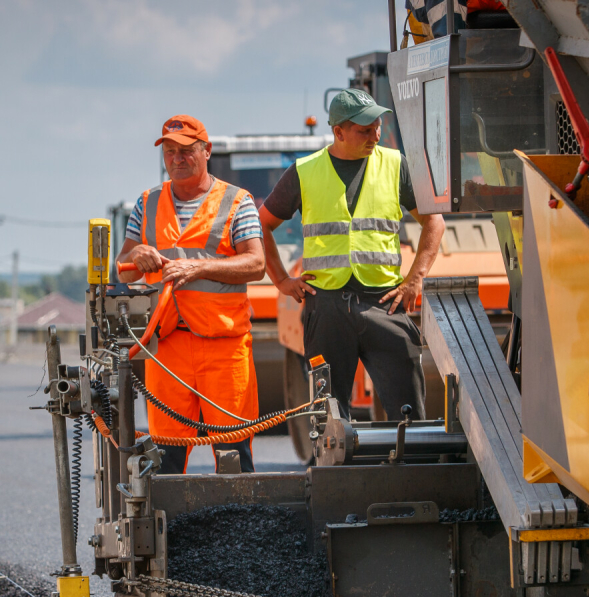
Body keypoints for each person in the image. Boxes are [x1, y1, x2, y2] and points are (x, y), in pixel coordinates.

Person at [258, 88, 445, 420]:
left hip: (385, 302)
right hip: (326, 307)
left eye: (376, 126)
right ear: (338, 132)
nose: (375, 134)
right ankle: (333, 471)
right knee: (328, 416)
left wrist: (415, 280)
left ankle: (411, 468)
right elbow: (263, 225)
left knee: (409, 412)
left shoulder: (395, 165)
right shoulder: (304, 172)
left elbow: (435, 222)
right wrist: (282, 280)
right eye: (364, 129)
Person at [117, 115, 266, 474]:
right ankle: (172, 529)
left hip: (223, 346)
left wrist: (198, 268)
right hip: (167, 346)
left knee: (233, 452)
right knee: (165, 456)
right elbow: (123, 263)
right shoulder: (147, 203)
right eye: (170, 152)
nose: (177, 159)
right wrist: (135, 255)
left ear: (206, 151)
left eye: (186, 151)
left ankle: (238, 527)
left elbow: (256, 263)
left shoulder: (236, 201)